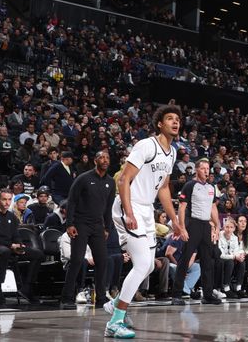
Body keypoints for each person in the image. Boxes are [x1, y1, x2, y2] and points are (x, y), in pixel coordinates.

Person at [104, 105, 187, 339]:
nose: (175, 122)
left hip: (146, 210)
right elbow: (123, 180)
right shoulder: (146, 145)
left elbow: (162, 188)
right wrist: (129, 213)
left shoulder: (171, 153)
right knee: (141, 264)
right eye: (169, 118)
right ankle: (115, 321)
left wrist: (175, 222)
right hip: (129, 206)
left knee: (149, 266)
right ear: (159, 124)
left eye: (178, 119)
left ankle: (116, 304)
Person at [60, 150, 116, 309]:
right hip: (80, 224)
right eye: (101, 158)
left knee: (102, 260)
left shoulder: (111, 182)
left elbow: (108, 207)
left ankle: (100, 299)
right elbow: (72, 202)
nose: (105, 160)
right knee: (77, 260)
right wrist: (69, 224)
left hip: (98, 226)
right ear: (95, 160)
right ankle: (67, 297)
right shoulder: (83, 178)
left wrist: (107, 227)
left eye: (107, 157)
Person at [171, 157, 222, 305]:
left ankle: (207, 294)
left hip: (206, 225)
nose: (206, 171)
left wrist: (217, 226)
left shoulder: (211, 188)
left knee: (207, 261)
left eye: (208, 168)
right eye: (203, 168)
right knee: (185, 259)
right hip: (192, 224)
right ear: (197, 170)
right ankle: (176, 295)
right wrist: (182, 228)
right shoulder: (190, 185)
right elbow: (181, 207)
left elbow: (213, 208)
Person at [0, 189, 43, 305]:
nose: (7, 202)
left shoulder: (12, 217)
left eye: (9, 199)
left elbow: (16, 234)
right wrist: (10, 245)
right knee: (4, 252)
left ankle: (27, 287)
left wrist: (19, 244)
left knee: (38, 254)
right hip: (2, 247)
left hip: (11, 247)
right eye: (4, 199)